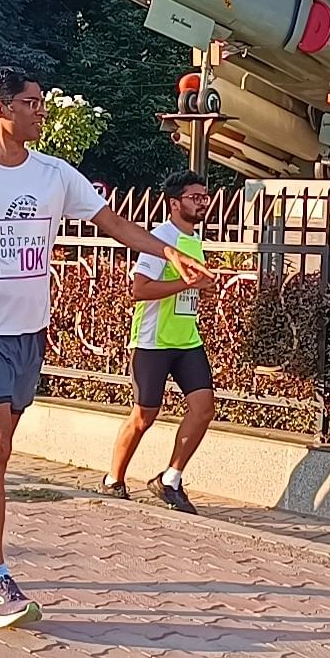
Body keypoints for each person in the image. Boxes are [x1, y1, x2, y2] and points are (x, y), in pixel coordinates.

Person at [0, 66, 213, 629]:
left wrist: (170, 253)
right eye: (32, 103)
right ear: (0, 109)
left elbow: (114, 223)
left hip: (28, 330)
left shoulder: (55, 174)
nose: (42, 112)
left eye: (41, 103)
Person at [101, 170, 216, 513]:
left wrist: (203, 284)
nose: (202, 203)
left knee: (204, 408)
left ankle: (170, 479)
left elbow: (192, 286)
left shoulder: (195, 239)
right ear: (174, 203)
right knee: (143, 416)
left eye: (205, 197)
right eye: (195, 198)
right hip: (152, 342)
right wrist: (188, 283)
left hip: (186, 339)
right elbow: (139, 289)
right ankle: (113, 480)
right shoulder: (161, 239)